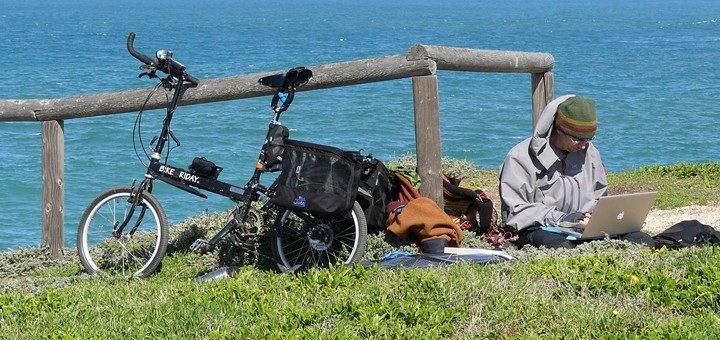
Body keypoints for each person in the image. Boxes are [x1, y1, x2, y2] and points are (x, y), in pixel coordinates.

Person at [498, 95, 655, 249]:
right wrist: (563, 219)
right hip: (542, 227)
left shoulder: (591, 153)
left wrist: (595, 219)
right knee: (561, 247)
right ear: (559, 129)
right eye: (578, 139)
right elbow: (515, 211)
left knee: (643, 241)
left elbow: (600, 198)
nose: (584, 146)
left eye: (589, 139)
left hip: (583, 229)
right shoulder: (519, 157)